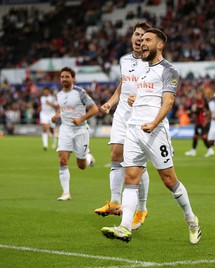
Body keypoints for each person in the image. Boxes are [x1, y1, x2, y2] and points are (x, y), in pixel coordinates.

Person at [101, 28, 201, 244]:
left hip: (155, 132)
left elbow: (168, 101)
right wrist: (134, 100)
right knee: (131, 178)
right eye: (141, 39)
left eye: (148, 40)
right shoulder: (144, 70)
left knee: (169, 180)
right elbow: (148, 95)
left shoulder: (169, 70)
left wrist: (154, 122)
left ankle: (192, 220)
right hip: (133, 130)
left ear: (160, 45)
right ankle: (124, 227)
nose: (142, 43)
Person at [96, 22, 151, 230]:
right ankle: (115, 202)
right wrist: (111, 102)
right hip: (121, 114)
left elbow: (155, 89)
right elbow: (123, 84)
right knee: (115, 155)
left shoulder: (152, 63)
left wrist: (141, 97)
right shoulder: (124, 60)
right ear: (132, 37)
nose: (139, 39)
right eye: (137, 34)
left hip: (140, 115)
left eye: (144, 36)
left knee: (137, 165)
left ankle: (142, 208)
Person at [51, 67, 98, 201]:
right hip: (65, 129)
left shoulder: (80, 92)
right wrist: (56, 116)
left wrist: (81, 119)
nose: (64, 79)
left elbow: (94, 109)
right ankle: (66, 193)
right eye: (62, 77)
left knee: (81, 166)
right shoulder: (59, 95)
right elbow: (63, 110)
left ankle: (88, 157)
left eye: (67, 77)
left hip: (80, 130)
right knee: (63, 160)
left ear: (73, 78)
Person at [184, 91, 214, 157]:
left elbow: (202, 111)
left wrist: (192, 111)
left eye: (198, 95)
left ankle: (210, 150)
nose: (197, 96)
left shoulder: (202, 102)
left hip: (201, 122)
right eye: (196, 95)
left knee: (203, 137)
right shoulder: (197, 102)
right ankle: (193, 151)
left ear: (201, 96)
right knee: (195, 136)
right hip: (198, 122)